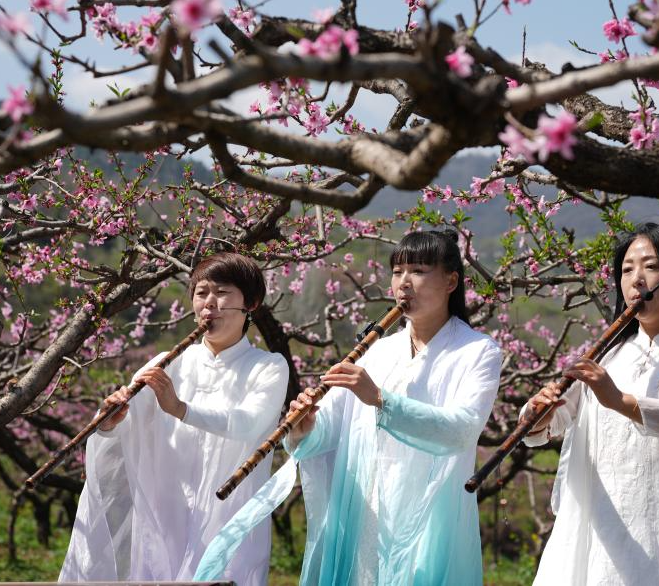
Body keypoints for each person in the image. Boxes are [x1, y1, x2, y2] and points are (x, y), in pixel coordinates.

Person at [194, 230, 501, 585]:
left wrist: (381, 400)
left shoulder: (478, 351)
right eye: (397, 272)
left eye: (418, 271)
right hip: (366, 513)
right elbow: (331, 428)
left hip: (429, 513)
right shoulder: (377, 350)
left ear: (451, 282)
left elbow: (463, 430)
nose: (404, 283)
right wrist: (306, 427)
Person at [523, 223, 659, 586]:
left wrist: (620, 401)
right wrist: (536, 415)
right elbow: (547, 426)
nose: (637, 279)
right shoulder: (603, 357)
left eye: (651, 266)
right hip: (598, 538)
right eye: (626, 270)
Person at [59, 252, 289, 585]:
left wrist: (181, 408)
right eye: (201, 293)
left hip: (229, 517)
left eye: (222, 292)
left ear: (250, 304)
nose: (209, 303)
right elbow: (126, 427)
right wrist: (108, 421)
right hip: (165, 515)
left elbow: (249, 423)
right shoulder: (167, 362)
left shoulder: (268, 367)